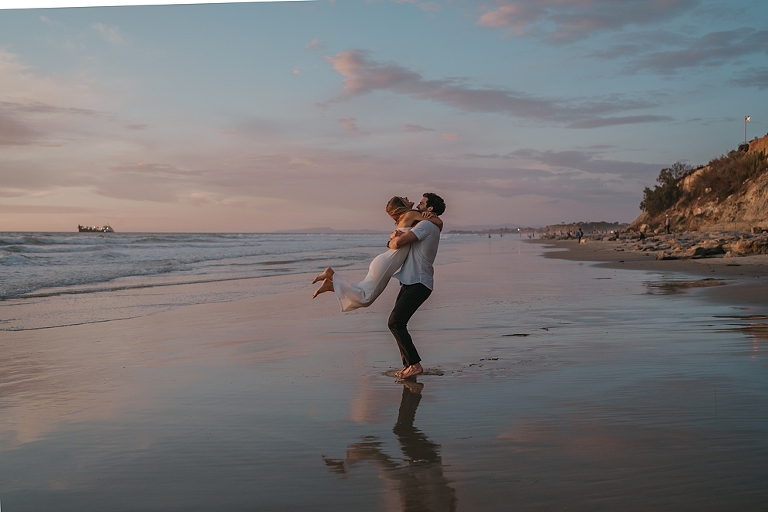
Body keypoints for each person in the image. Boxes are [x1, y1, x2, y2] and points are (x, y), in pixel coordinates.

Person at [311, 196, 442, 312]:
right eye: (404, 198)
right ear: (402, 204)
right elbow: (438, 223)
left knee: (361, 291)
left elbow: (409, 234)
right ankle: (332, 278)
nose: (407, 197)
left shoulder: (407, 218)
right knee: (365, 298)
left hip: (386, 259)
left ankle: (332, 281)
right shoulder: (410, 214)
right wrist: (435, 219)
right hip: (389, 260)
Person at [386, 193, 446, 379]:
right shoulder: (427, 224)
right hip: (412, 281)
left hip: (418, 282)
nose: (417, 205)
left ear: (429, 209)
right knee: (397, 323)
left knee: (395, 322)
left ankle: (414, 365)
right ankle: (409, 365)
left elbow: (399, 243)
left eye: (422, 203)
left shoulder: (426, 225)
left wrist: (392, 239)